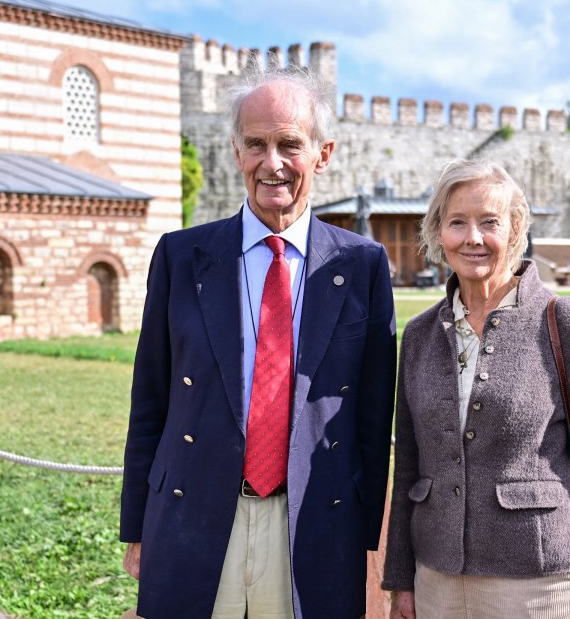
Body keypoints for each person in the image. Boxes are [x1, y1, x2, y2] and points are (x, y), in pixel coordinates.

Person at [119, 69, 398, 618]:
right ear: (236, 151)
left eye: (289, 143)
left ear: (323, 154)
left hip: (312, 518)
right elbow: (149, 401)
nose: (272, 163)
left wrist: (367, 541)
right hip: (193, 512)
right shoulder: (180, 256)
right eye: (256, 144)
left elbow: (371, 417)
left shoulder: (362, 265)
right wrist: (138, 524)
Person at [382, 159, 570, 619]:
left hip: (540, 585)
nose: (473, 238)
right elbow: (408, 468)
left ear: (516, 228)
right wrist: (402, 579)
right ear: (438, 231)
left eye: (489, 222)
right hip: (436, 581)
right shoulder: (419, 335)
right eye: (457, 222)